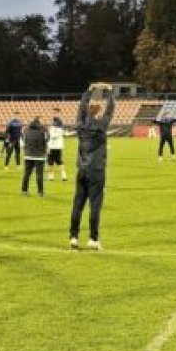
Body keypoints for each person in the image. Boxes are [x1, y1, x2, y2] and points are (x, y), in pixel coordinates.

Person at [69, 83, 115, 251]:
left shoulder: (80, 126)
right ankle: (93, 239)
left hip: (81, 169)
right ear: (98, 113)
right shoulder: (101, 126)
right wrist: (109, 92)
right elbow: (110, 110)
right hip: (96, 170)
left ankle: (73, 237)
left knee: (77, 204)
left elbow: (80, 108)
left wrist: (89, 91)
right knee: (95, 206)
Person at [21, 116, 49, 197]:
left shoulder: (26, 130)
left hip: (28, 155)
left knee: (26, 174)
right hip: (39, 155)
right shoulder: (43, 130)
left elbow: (23, 140)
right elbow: (47, 139)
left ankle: (24, 191)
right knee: (39, 174)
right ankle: (40, 192)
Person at [46, 110, 68, 181]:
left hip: (52, 147)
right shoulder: (61, 129)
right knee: (59, 161)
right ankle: (63, 175)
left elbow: (51, 137)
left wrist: (48, 147)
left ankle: (51, 176)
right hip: (59, 147)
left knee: (50, 162)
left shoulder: (52, 129)